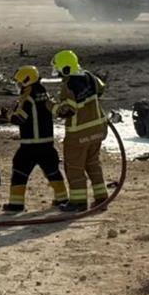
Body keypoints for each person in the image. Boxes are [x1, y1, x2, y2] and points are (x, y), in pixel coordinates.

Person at [1, 65, 69, 213]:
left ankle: (16, 204)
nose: (19, 86)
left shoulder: (28, 97)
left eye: (20, 83)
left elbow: (19, 119)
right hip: (47, 144)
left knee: (19, 171)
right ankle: (63, 199)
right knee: (52, 171)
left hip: (30, 145)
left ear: (27, 80)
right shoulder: (43, 93)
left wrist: (7, 115)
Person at [52, 50, 109, 213]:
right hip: (98, 130)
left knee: (74, 167)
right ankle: (101, 198)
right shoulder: (90, 76)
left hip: (79, 135)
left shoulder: (69, 85)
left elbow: (67, 111)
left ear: (65, 68)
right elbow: (101, 89)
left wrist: (51, 105)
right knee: (93, 164)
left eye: (58, 68)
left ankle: (78, 202)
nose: (57, 72)